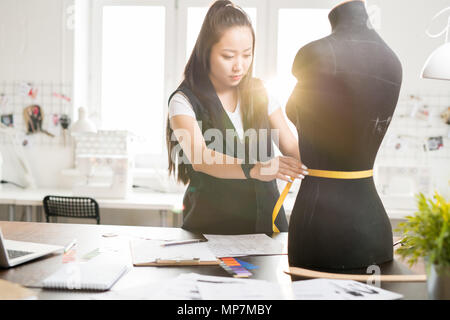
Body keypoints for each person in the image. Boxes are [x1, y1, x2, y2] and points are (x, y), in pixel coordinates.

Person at [166, 0, 308, 235]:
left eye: (247, 55)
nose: (239, 66)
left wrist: (335, 169)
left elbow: (291, 145)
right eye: (228, 56)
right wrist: (257, 168)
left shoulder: (261, 92)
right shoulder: (183, 101)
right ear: (207, 52)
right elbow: (201, 157)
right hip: (211, 230)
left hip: (268, 227)